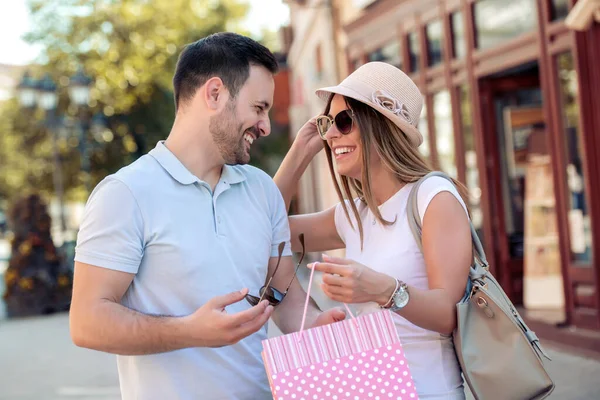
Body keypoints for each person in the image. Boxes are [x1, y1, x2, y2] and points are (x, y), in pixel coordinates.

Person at [69, 32, 344, 400]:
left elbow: (284, 297)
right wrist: (189, 331)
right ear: (214, 94)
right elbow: (87, 322)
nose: (265, 125)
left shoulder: (262, 190)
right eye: (258, 108)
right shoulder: (125, 194)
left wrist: (315, 325)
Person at [275, 61, 472, 399]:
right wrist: (298, 155)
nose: (332, 134)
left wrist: (382, 289)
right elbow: (266, 228)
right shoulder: (355, 215)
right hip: (371, 388)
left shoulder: (433, 196)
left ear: (383, 125)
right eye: (327, 123)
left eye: (344, 121)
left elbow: (449, 314)